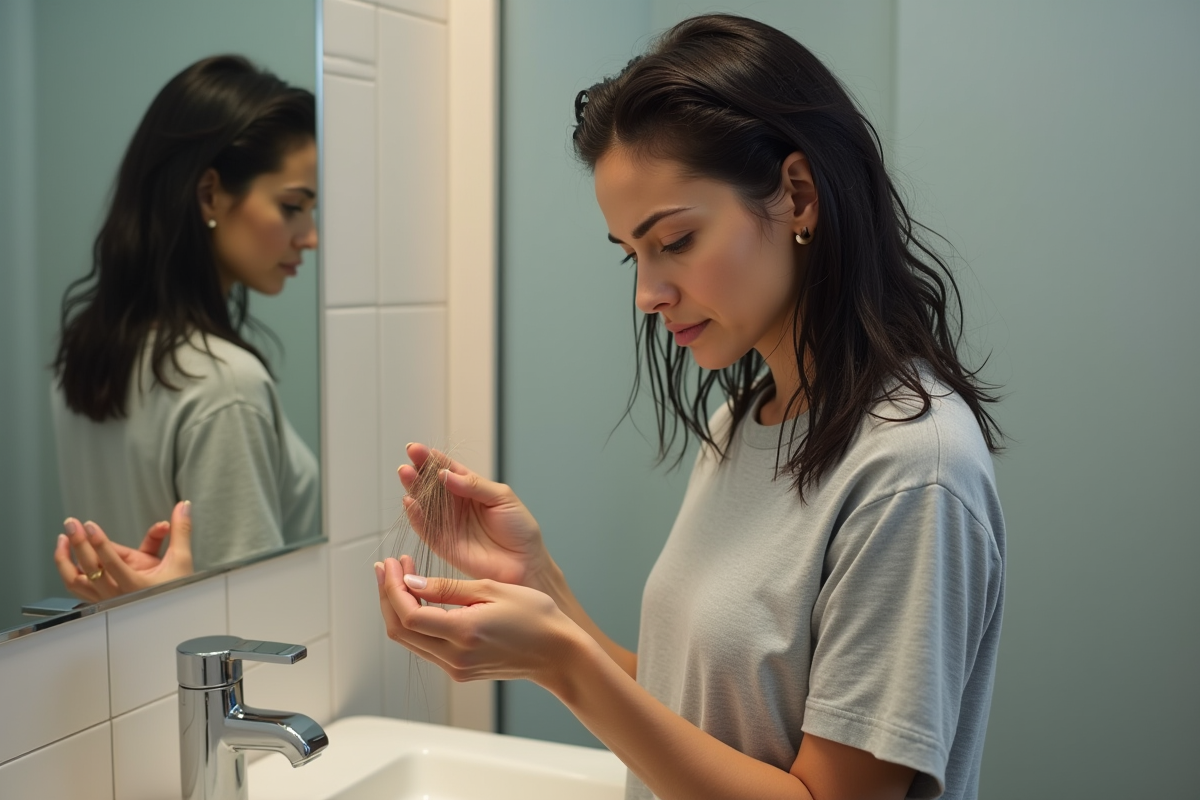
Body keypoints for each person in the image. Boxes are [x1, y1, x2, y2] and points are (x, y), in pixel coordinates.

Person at [377, 14, 1005, 800]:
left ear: (798, 195)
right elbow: (700, 713)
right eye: (632, 255)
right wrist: (545, 592)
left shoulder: (914, 469)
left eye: (673, 240)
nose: (648, 294)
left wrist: (562, 663)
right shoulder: (743, 422)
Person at [50, 55, 320, 603]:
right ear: (210, 194)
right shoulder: (226, 386)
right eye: (293, 206)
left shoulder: (84, 355)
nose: (309, 236)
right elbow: (251, 619)